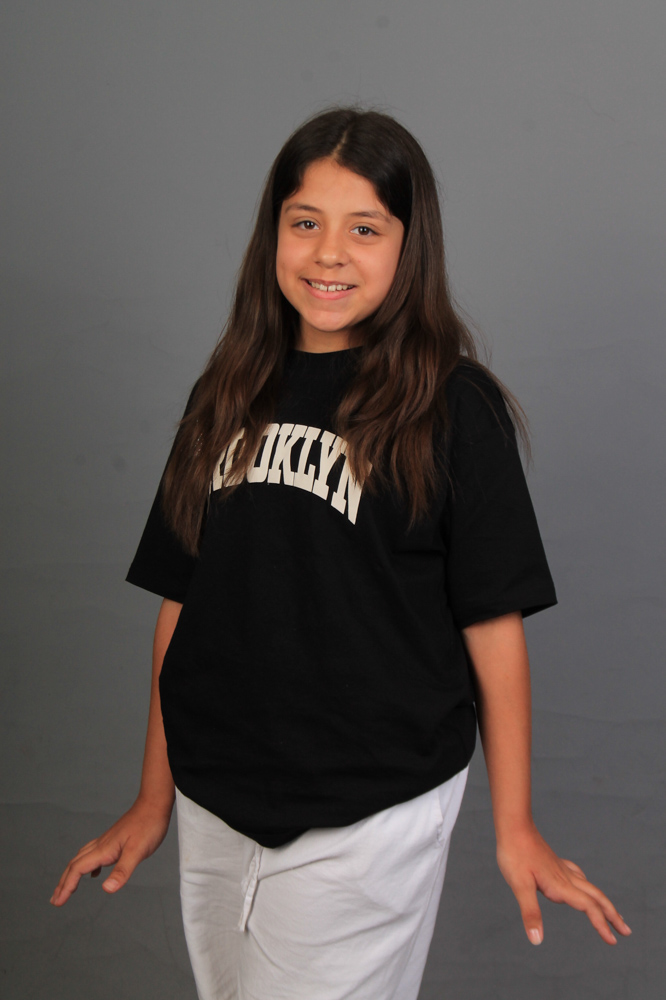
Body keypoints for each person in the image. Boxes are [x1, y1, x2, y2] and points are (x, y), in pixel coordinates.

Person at [51, 107, 631, 999]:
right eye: (305, 223)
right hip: (217, 793)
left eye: (365, 229)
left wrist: (515, 825)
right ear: (272, 233)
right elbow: (182, 601)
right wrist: (154, 795)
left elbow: (492, 626)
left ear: (409, 245)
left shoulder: (451, 405)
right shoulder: (227, 391)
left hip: (368, 808)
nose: (329, 254)